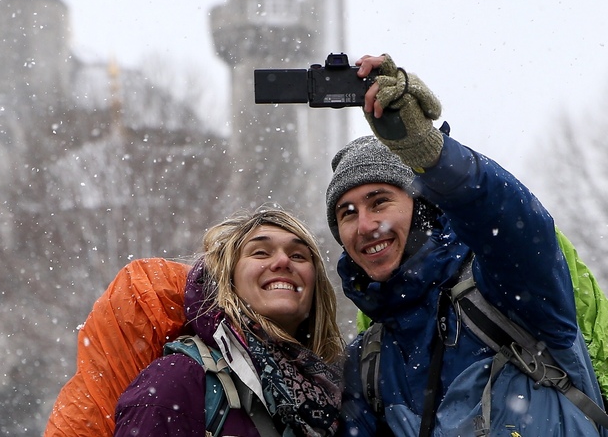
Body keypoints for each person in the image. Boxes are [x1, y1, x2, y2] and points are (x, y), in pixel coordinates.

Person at [328, 54, 607, 436]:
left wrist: (431, 153)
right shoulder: (367, 363)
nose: (365, 225)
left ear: (422, 208)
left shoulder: (503, 290)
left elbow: (511, 219)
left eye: (380, 202)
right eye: (347, 213)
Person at [114, 207, 345, 437]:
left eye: (298, 255)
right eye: (261, 252)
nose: (283, 261)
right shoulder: (177, 380)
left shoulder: (342, 390)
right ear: (228, 279)